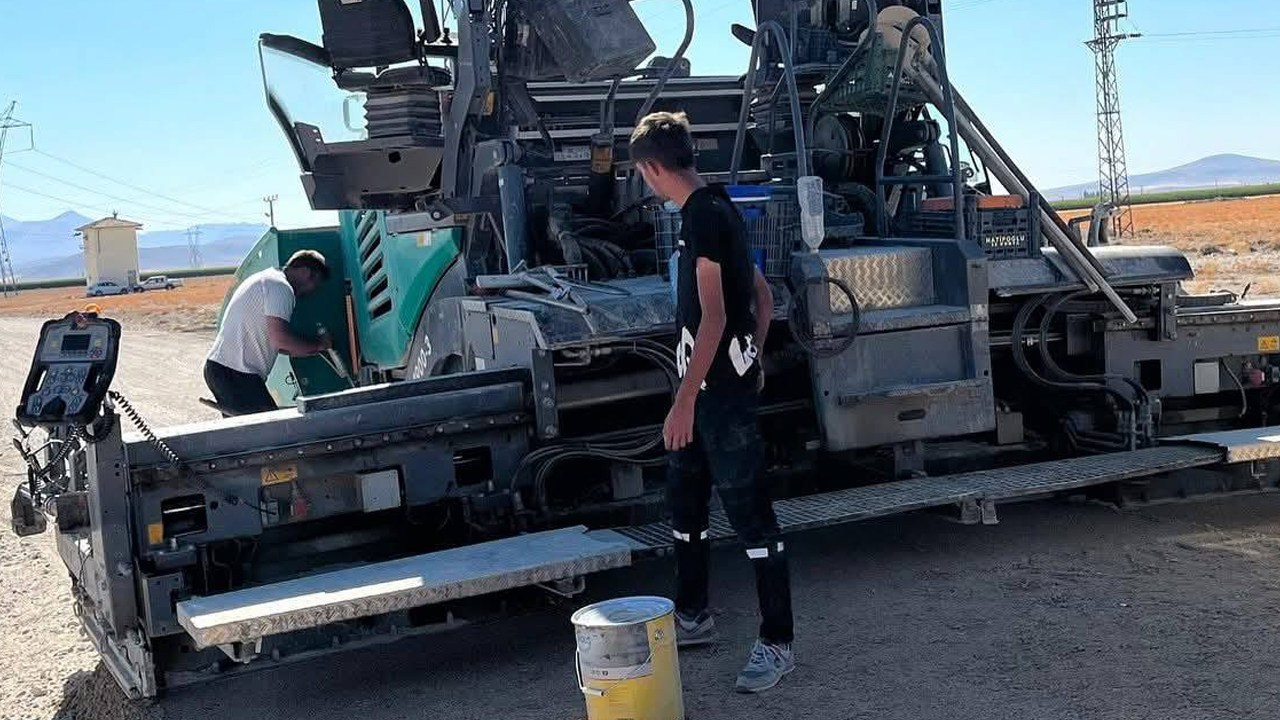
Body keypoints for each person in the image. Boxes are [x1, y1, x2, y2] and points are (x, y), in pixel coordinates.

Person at [630, 111, 794, 693]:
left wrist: (683, 401)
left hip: (715, 401)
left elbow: (717, 317)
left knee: (752, 520)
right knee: (686, 508)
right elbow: (763, 296)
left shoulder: (701, 217)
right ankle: (693, 615)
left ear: (652, 169)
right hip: (711, 392)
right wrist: (756, 357)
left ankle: (777, 643)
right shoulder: (721, 205)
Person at [204, 250, 332, 415]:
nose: (311, 291)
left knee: (251, 428)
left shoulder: (268, 280)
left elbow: (279, 345)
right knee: (272, 427)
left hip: (224, 370)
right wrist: (319, 344)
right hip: (236, 373)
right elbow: (280, 339)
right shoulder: (281, 287)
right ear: (306, 272)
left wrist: (311, 348)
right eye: (315, 284)